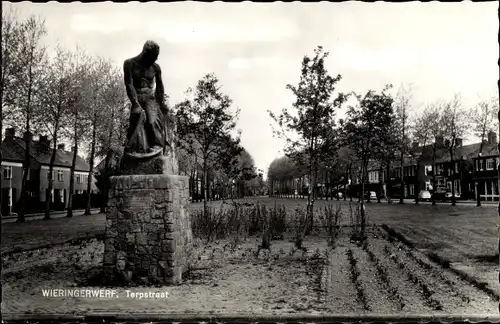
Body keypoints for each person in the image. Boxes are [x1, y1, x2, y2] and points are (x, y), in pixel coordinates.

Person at [123, 40, 167, 157]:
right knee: (135, 117)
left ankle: (157, 144)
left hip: (150, 98)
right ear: (145, 53)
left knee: (152, 120)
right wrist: (135, 103)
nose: (156, 59)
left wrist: (160, 103)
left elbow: (160, 86)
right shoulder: (129, 64)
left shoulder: (155, 68)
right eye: (154, 56)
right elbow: (129, 84)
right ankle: (134, 148)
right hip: (136, 96)